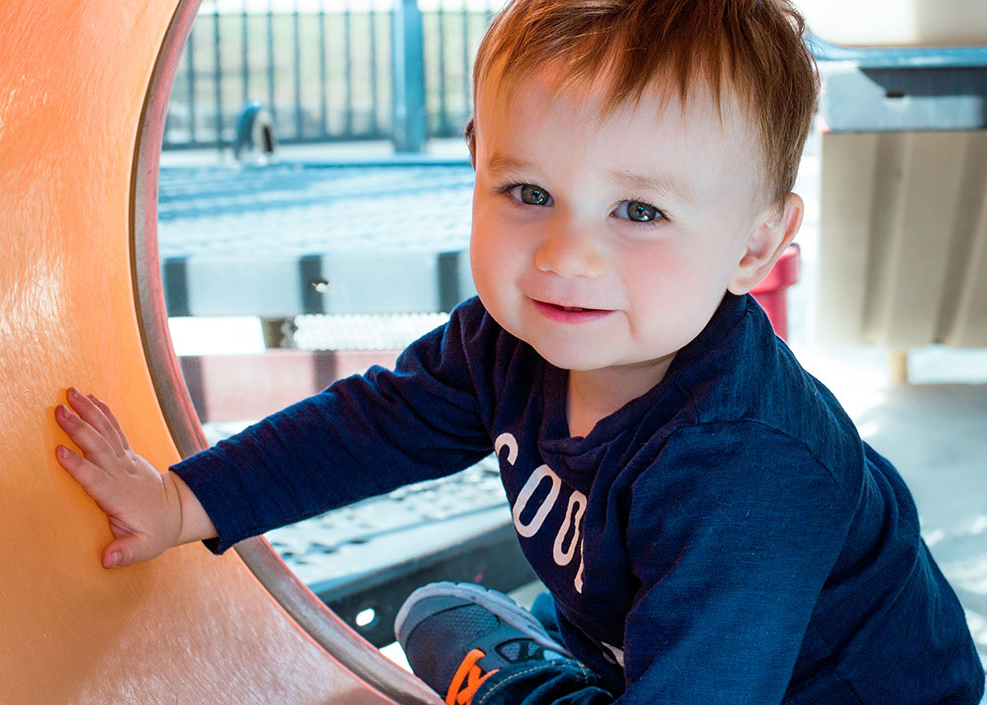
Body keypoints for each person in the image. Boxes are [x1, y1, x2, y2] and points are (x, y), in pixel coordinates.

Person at [54, 0, 985, 702]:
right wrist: (184, 499)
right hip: (653, 646)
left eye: (639, 211)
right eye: (529, 191)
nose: (567, 254)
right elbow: (369, 426)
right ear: (478, 161)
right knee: (442, 614)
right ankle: (551, 650)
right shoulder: (505, 344)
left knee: (449, 621)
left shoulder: (748, 468)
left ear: (754, 244)